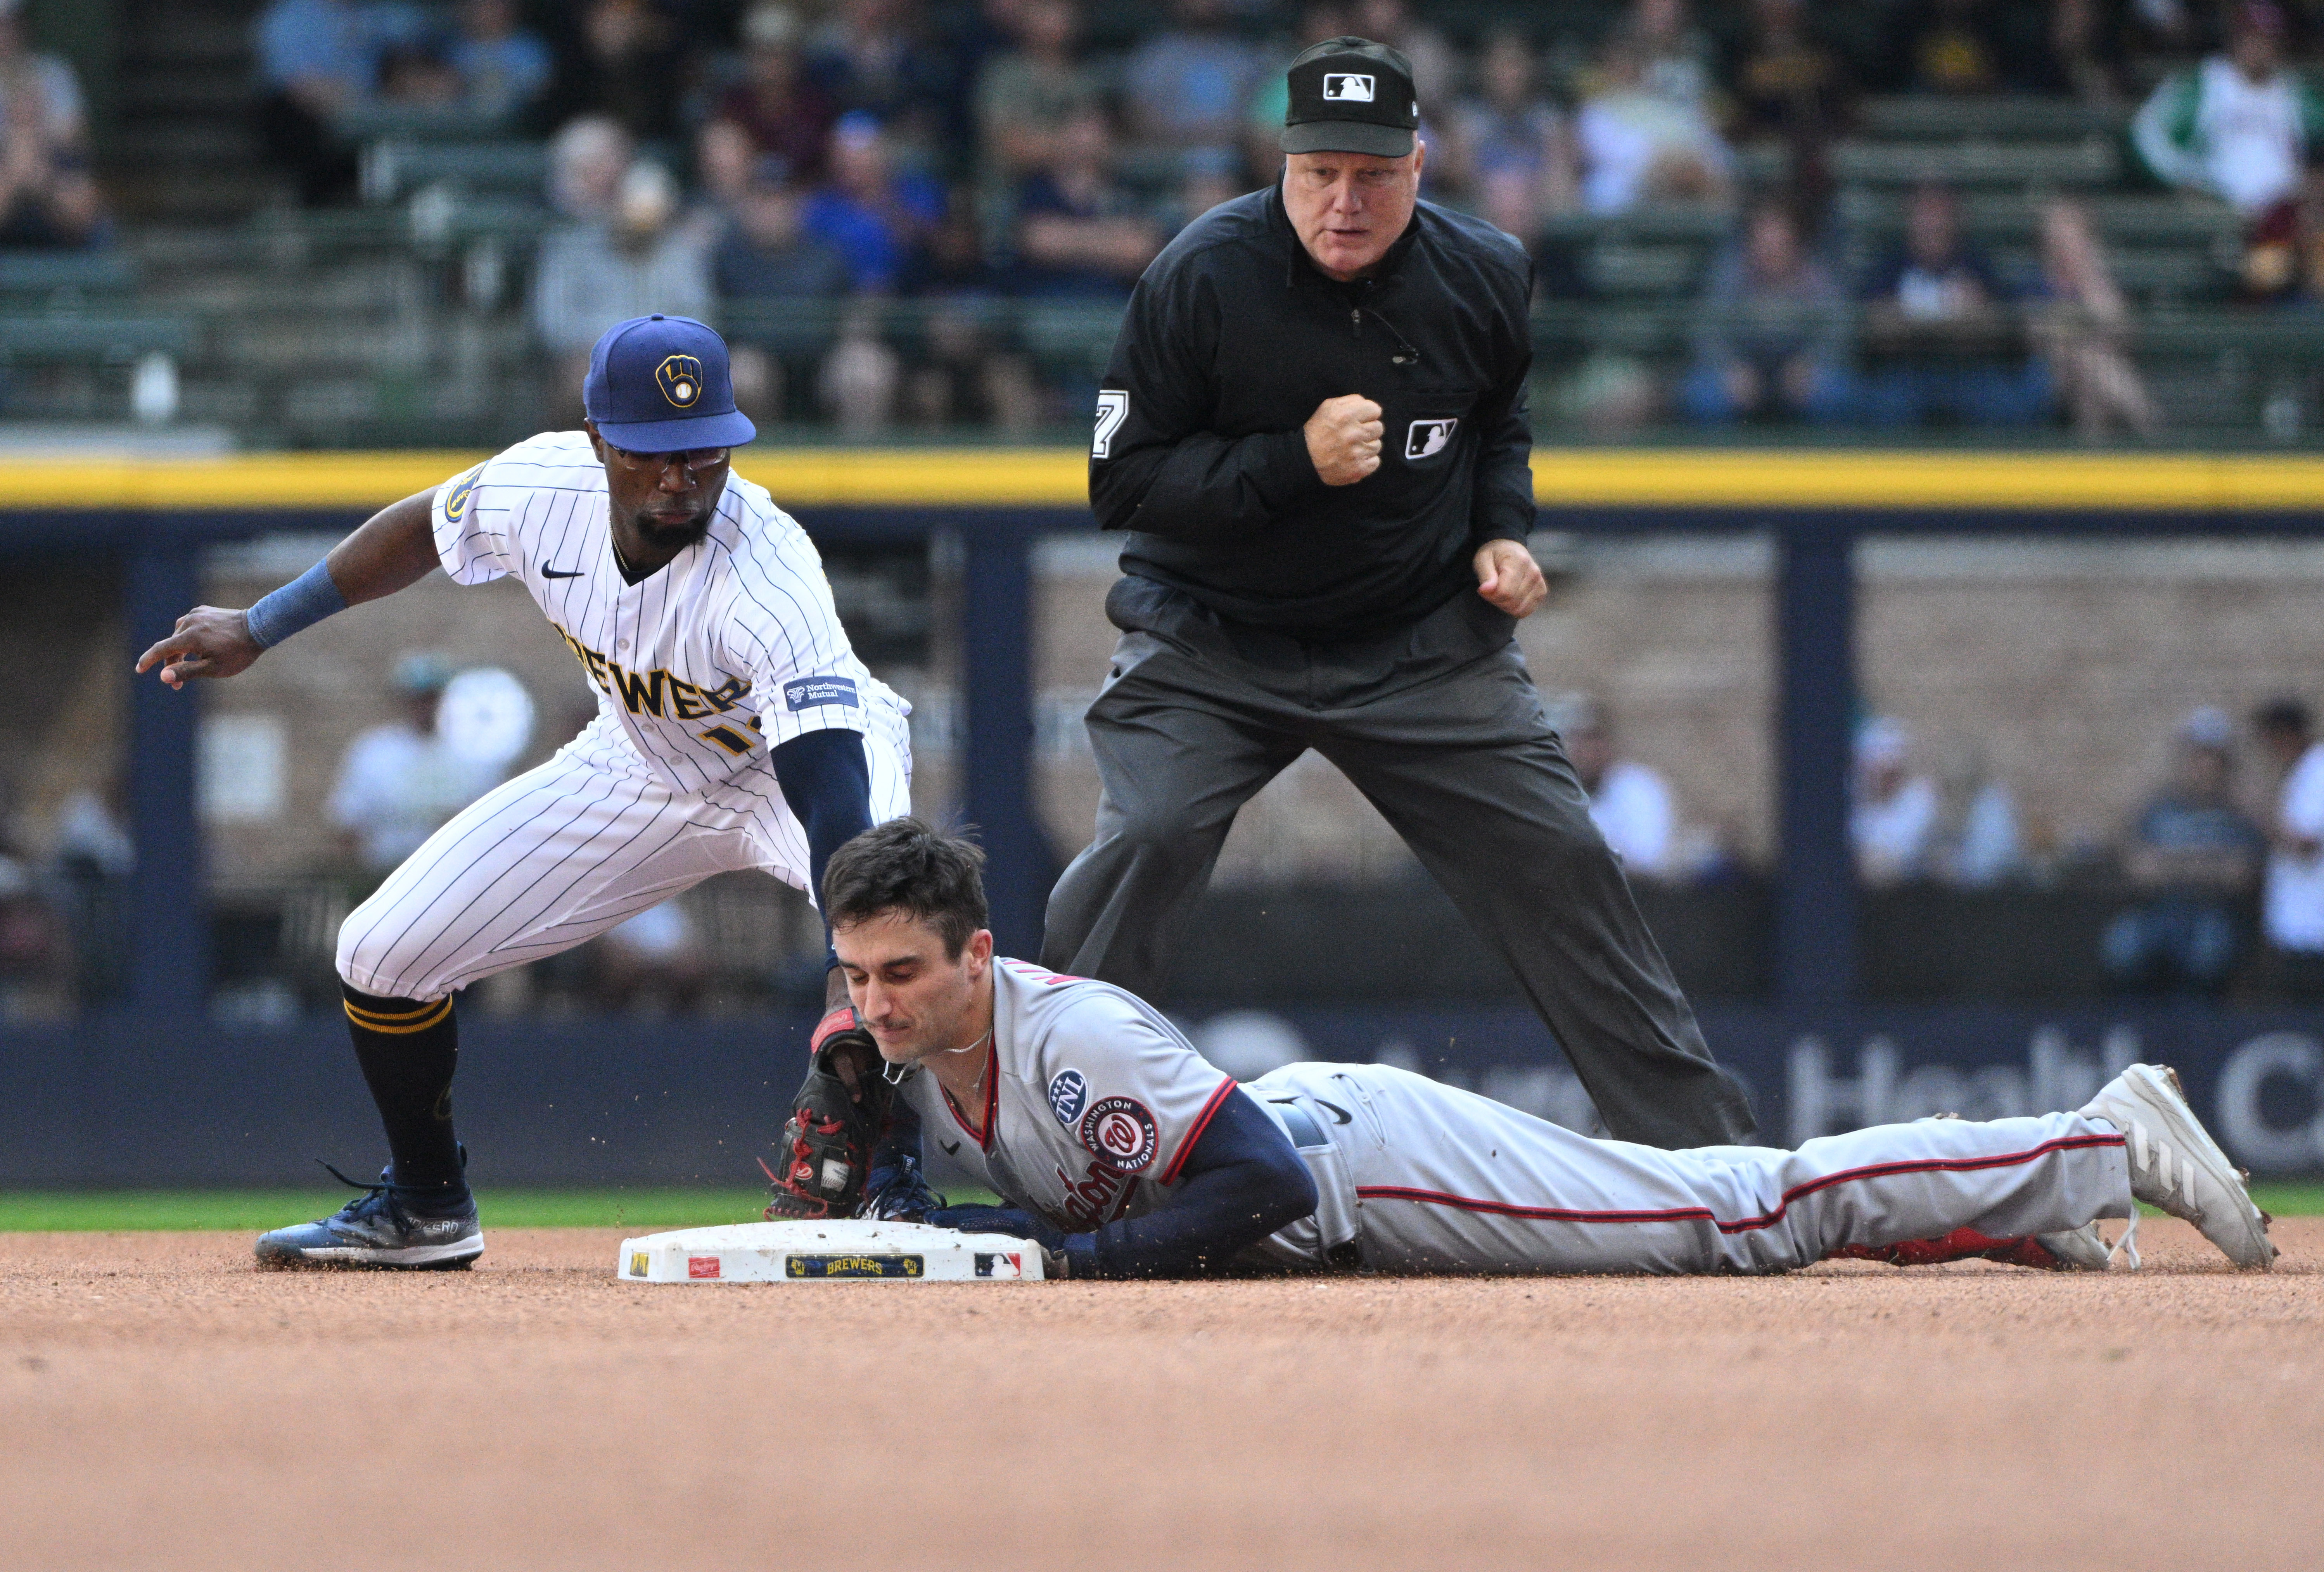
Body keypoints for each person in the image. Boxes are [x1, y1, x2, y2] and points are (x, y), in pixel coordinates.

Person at [1056, 38, 1756, 1150]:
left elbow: (1497, 432)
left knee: (1566, 862)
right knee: (1145, 834)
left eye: (1373, 174)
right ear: (1281, 165)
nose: (1344, 200)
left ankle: (1711, 1164)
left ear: (1419, 166)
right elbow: (1120, 482)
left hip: (1420, 644)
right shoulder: (1200, 274)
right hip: (1213, 645)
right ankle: (1043, 1147)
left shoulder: (1483, 274)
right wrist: (1292, 459)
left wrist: (1502, 533)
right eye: (1320, 171)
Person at [135, 316, 914, 1268]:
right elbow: (418, 529)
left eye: (704, 451)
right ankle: (426, 1208)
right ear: (598, 443)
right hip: (636, 763)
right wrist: (260, 623)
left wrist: (857, 971)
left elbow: (830, 790)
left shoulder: (771, 575)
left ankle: (892, 1182)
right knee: (381, 951)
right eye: (652, 453)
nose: (681, 478)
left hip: (787, 772)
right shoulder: (541, 489)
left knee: (893, 924)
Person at [776, 818, 2276, 1278]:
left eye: (904, 970)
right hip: (1321, 1175)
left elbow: (1257, 1184)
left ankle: (2095, 1137)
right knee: (1725, 1205)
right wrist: (869, 1180)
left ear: (979, 951)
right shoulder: (894, 1049)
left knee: (1729, 1213)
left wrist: (1051, 1266)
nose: (879, 999)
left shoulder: (1072, 1033)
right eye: (857, 974)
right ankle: (2031, 1225)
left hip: (1362, 1162)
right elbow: (859, 1221)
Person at [1858, 181, 2049, 429]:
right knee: (1879, 403)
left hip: (1970, 374)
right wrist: (1938, 315)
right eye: (1924, 212)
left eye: (1939, 211)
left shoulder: (1976, 262)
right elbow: (1876, 326)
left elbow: (1999, 327)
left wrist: (1972, 318)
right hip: (1905, 373)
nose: (1932, 223)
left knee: (2014, 400)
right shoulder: (1891, 263)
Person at [2103, 707, 2267, 997]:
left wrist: (2171, 864)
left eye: (2211, 758)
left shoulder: (2240, 814)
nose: (2203, 766)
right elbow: (2140, 870)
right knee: (2124, 944)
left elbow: (2239, 876)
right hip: (2160, 910)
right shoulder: (2158, 810)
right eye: (2196, 756)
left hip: (2214, 914)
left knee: (2209, 949)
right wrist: (2208, 864)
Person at [532, 161, 714, 419]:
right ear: (615, 205)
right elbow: (553, 322)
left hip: (665, 363)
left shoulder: (681, 255)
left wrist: (649, 351)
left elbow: (699, 320)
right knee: (577, 378)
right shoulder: (574, 246)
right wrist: (616, 349)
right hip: (595, 359)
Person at [2133, 1, 2324, 217]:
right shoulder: (2204, 84)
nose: (2261, 47)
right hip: (2218, 209)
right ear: (2237, 38)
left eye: (2269, 40)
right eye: (2253, 38)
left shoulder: (2296, 93)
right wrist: (2183, 179)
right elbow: (2149, 133)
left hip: (2284, 216)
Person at [326, 652, 508, 878]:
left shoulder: (476, 753)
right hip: (384, 875)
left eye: (431, 698)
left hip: (455, 875)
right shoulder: (373, 753)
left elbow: (493, 823)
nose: (424, 707)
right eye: (417, 699)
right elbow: (349, 822)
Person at [1680, 197, 1852, 425]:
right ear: (1750, 241)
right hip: (1740, 370)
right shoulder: (1728, 275)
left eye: (1780, 242)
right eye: (1764, 241)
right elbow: (1708, 332)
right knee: (1705, 396)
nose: (1771, 249)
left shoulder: (1818, 277)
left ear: (1795, 242)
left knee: (1833, 393)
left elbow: (1838, 332)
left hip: (1802, 371)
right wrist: (1730, 367)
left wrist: (1812, 365)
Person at [2029, 198, 2160, 441]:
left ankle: (2096, 450)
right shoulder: (2036, 281)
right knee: (2088, 357)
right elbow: (2041, 337)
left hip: (2092, 377)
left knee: (2090, 376)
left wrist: (2090, 279)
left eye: (2073, 229)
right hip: (2049, 375)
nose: (2066, 238)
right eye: (2059, 229)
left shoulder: (2096, 280)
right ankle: (2150, 431)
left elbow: (2125, 333)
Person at [974, 0, 1101, 181]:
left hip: (1070, 186)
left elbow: (1096, 144)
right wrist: (1068, 146)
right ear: (1025, 19)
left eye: (1062, 12)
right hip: (1012, 189)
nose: (1054, 21)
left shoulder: (1083, 78)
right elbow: (1007, 146)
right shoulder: (1004, 74)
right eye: (1045, 12)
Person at [1558, 696, 1678, 879]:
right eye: (1577, 742)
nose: (1584, 752)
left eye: (1592, 741)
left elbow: (1646, 859)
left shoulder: (1640, 788)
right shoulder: (1557, 791)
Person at [717, 4, 837, 185]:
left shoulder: (816, 105)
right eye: (762, 55)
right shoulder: (733, 105)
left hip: (810, 200)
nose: (771, 66)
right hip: (744, 200)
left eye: (779, 55)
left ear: (795, 58)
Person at [2254, 697, 2324, 997]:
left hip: (2312, 930)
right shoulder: (2302, 773)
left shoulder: (2317, 771)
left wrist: (2257, 815)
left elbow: (2306, 843)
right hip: (2298, 928)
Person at [1852, 717, 1940, 884]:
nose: (1887, 774)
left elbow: (1895, 861)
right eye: (1880, 767)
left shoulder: (1920, 800)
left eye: (1893, 768)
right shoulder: (1851, 801)